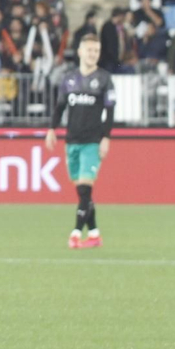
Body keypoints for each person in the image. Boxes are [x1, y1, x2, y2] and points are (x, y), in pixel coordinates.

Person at [45, 32, 115, 250]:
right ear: (80, 52)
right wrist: (51, 129)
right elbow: (60, 107)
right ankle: (94, 234)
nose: (93, 54)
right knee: (83, 191)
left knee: (85, 189)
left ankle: (76, 233)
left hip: (92, 142)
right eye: (89, 50)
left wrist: (105, 138)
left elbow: (110, 112)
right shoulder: (69, 79)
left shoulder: (104, 79)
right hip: (71, 141)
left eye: (96, 51)